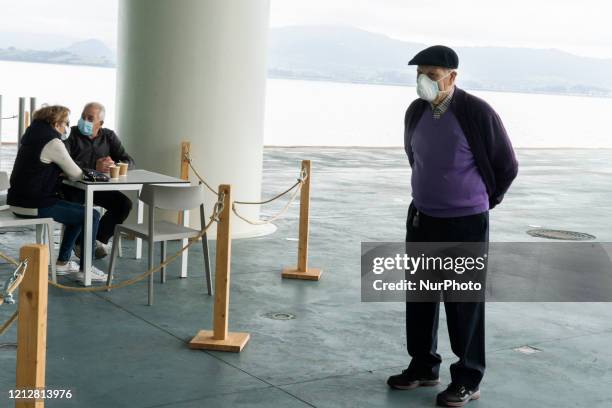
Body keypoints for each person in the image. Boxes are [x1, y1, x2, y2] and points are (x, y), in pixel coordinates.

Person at [386, 46, 518, 407]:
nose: (423, 81)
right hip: (422, 217)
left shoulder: (477, 112)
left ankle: (467, 378)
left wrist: (481, 202)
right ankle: (423, 366)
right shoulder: (416, 111)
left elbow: (506, 165)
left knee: (463, 302)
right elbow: (415, 156)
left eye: (431, 75)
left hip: (465, 223)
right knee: (421, 297)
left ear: (452, 77)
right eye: (419, 75)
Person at [7, 105, 108, 282]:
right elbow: (76, 174)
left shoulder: (31, 136)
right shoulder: (52, 142)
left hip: (17, 200)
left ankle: (62, 263)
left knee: (78, 211)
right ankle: (86, 270)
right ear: (55, 123)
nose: (67, 127)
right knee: (91, 215)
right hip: (34, 203)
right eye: (65, 123)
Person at [63, 102, 135, 259]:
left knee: (124, 205)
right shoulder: (71, 134)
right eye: (83, 116)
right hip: (72, 187)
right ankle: (76, 247)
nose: (84, 121)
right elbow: (64, 162)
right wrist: (94, 166)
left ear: (100, 123)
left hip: (97, 188)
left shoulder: (108, 136)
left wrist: (114, 166)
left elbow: (128, 160)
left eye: (90, 118)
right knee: (82, 210)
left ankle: (92, 241)